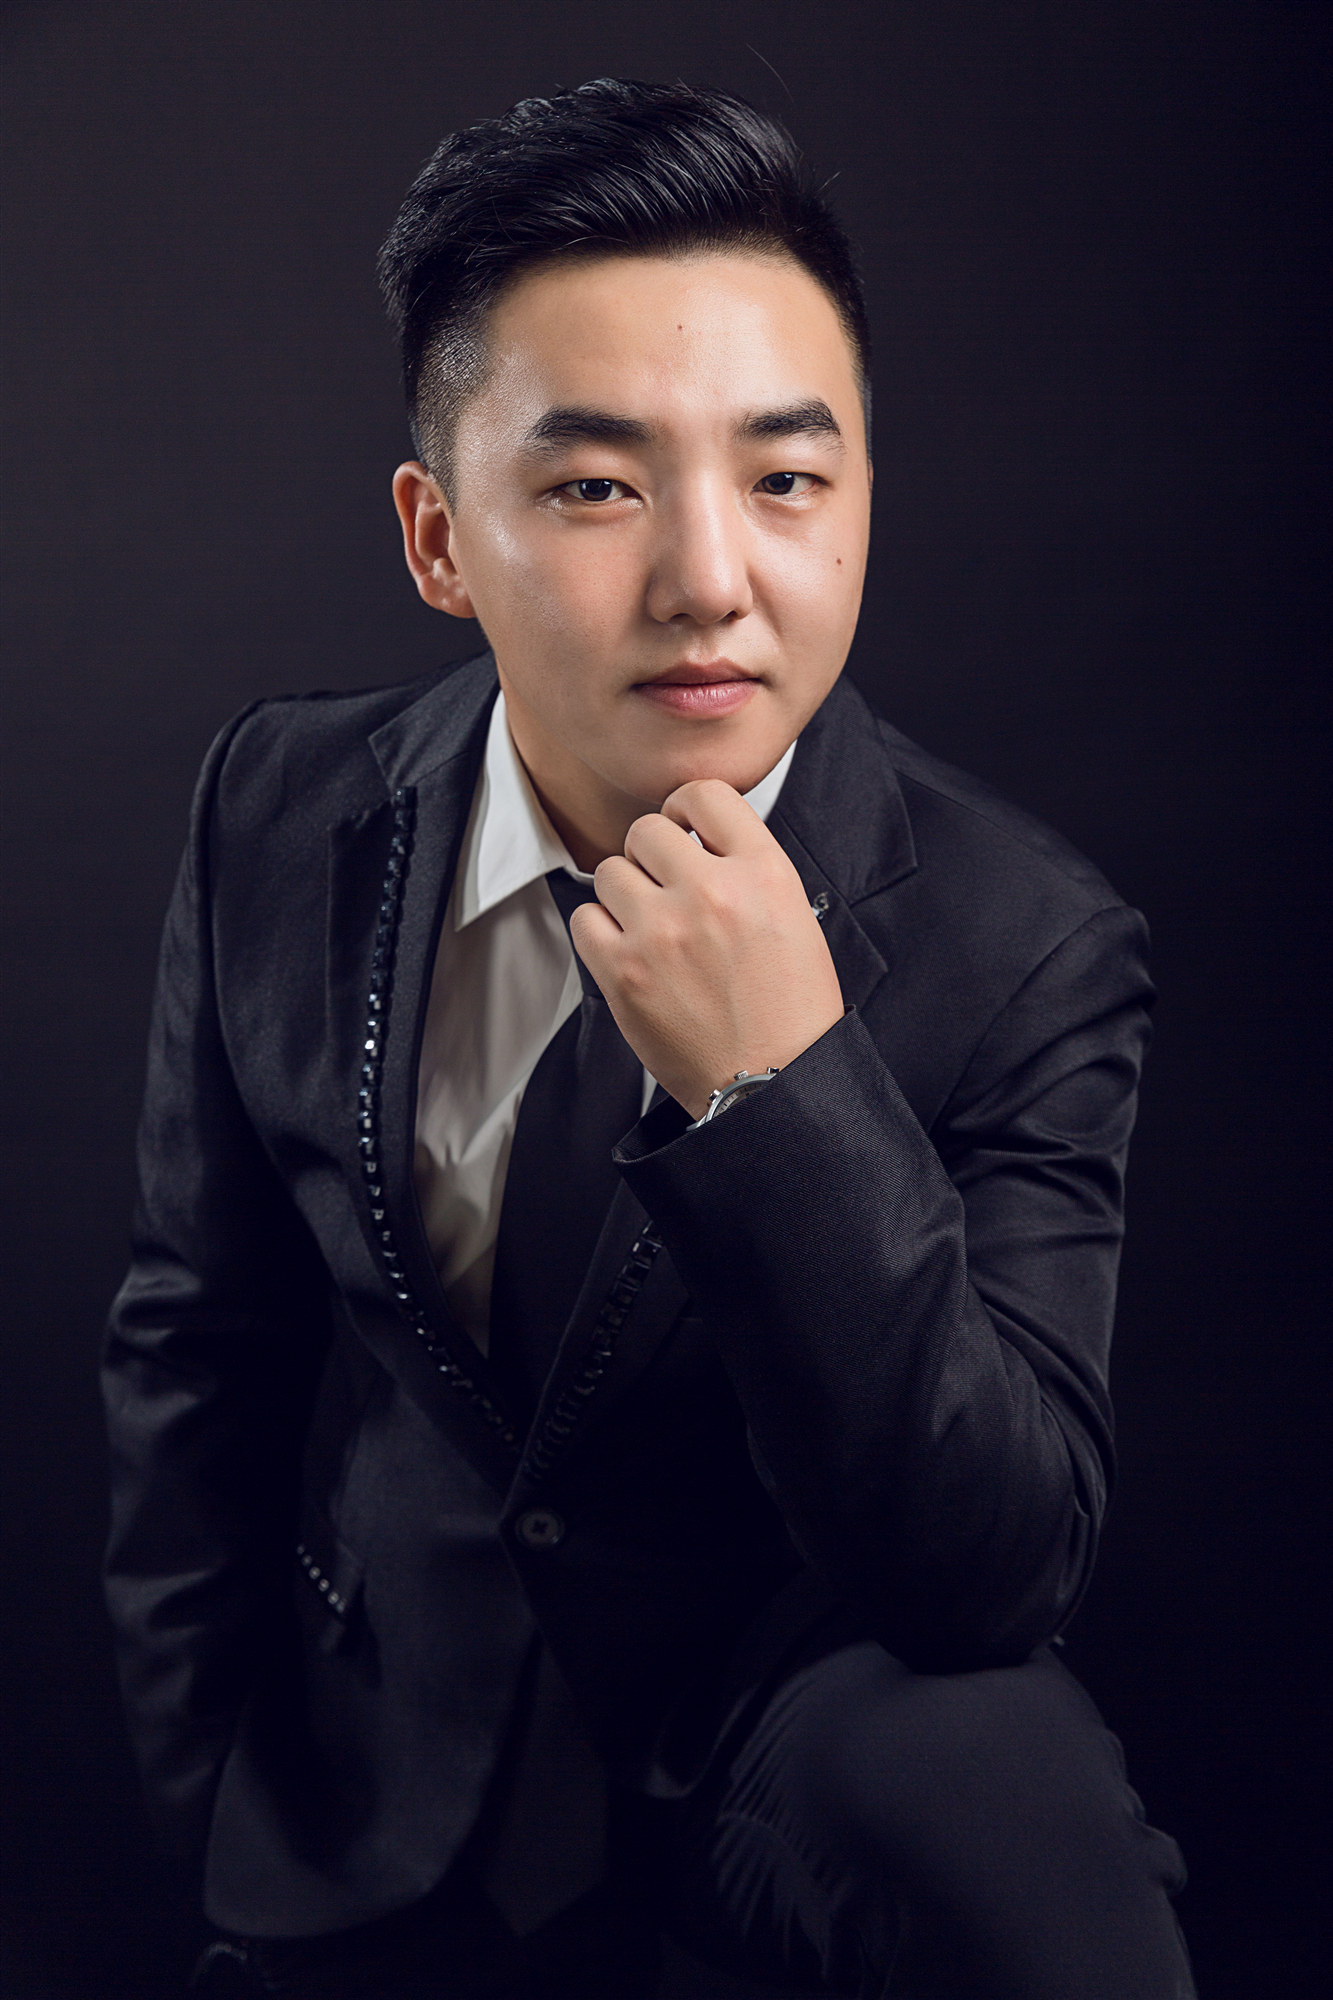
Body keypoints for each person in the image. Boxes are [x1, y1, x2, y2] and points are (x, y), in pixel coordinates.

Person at [102, 78, 1195, 1999]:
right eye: (598, 487)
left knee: (1015, 1811)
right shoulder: (274, 802)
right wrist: (203, 1794)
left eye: (786, 480)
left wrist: (781, 1088)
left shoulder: (1028, 940)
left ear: (861, 498)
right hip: (379, 1763)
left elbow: (993, 1570)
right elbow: (199, 1341)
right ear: (439, 539)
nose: (710, 579)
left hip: (791, 1743)